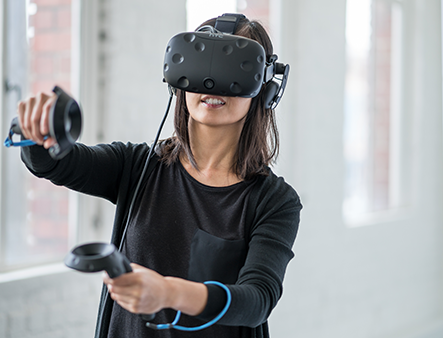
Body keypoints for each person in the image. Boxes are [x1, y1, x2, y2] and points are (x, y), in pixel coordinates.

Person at [17, 15, 301, 338]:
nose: (212, 83)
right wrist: (36, 133)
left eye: (233, 68)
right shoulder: (138, 167)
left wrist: (169, 293)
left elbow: (257, 300)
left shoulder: (275, 201)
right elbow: (59, 164)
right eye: (202, 63)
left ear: (266, 88)